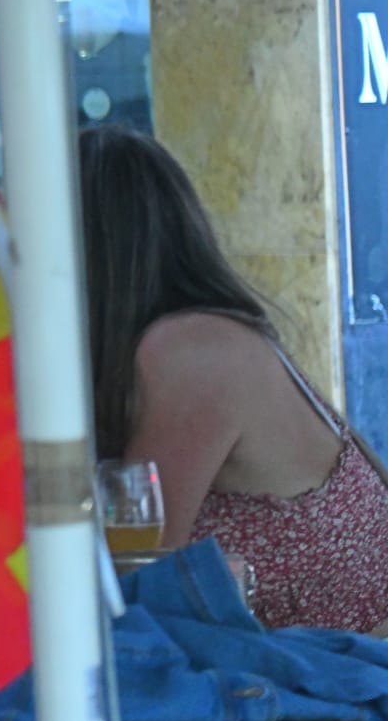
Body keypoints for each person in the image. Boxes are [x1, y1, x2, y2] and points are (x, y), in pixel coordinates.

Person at [81, 126, 388, 632]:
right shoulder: (217, 336)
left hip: (336, 695)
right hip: (316, 686)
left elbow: (131, 584)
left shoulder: (189, 352)